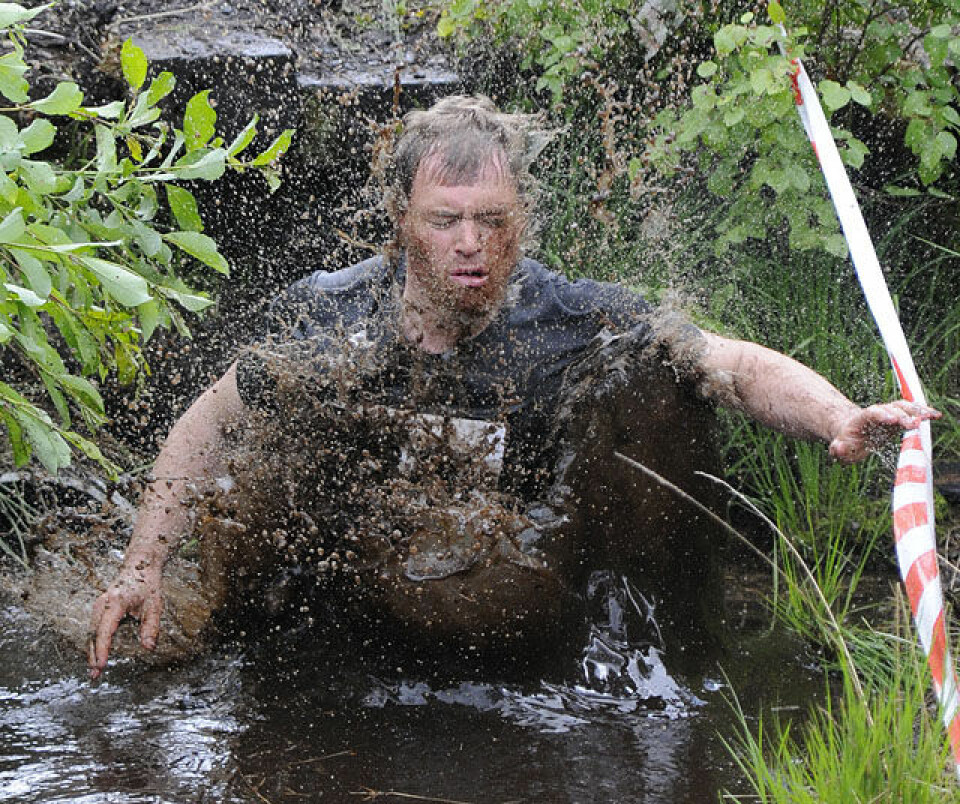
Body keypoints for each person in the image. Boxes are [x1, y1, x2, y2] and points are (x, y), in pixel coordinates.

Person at [87, 95, 939, 679]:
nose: (470, 244)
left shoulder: (566, 319)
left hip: (508, 601)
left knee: (653, 390)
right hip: (337, 594)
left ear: (519, 221)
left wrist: (839, 413)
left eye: (492, 222)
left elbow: (730, 364)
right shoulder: (330, 315)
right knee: (263, 497)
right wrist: (141, 567)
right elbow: (207, 424)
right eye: (445, 220)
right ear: (402, 222)